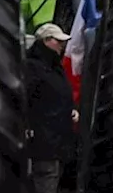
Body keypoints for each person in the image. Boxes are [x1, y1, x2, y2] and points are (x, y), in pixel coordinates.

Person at [26, 23, 79, 193]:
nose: (63, 45)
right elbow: (28, 100)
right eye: (59, 41)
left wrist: (70, 110)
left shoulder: (55, 67)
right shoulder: (32, 67)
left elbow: (55, 97)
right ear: (46, 40)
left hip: (59, 144)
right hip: (45, 145)